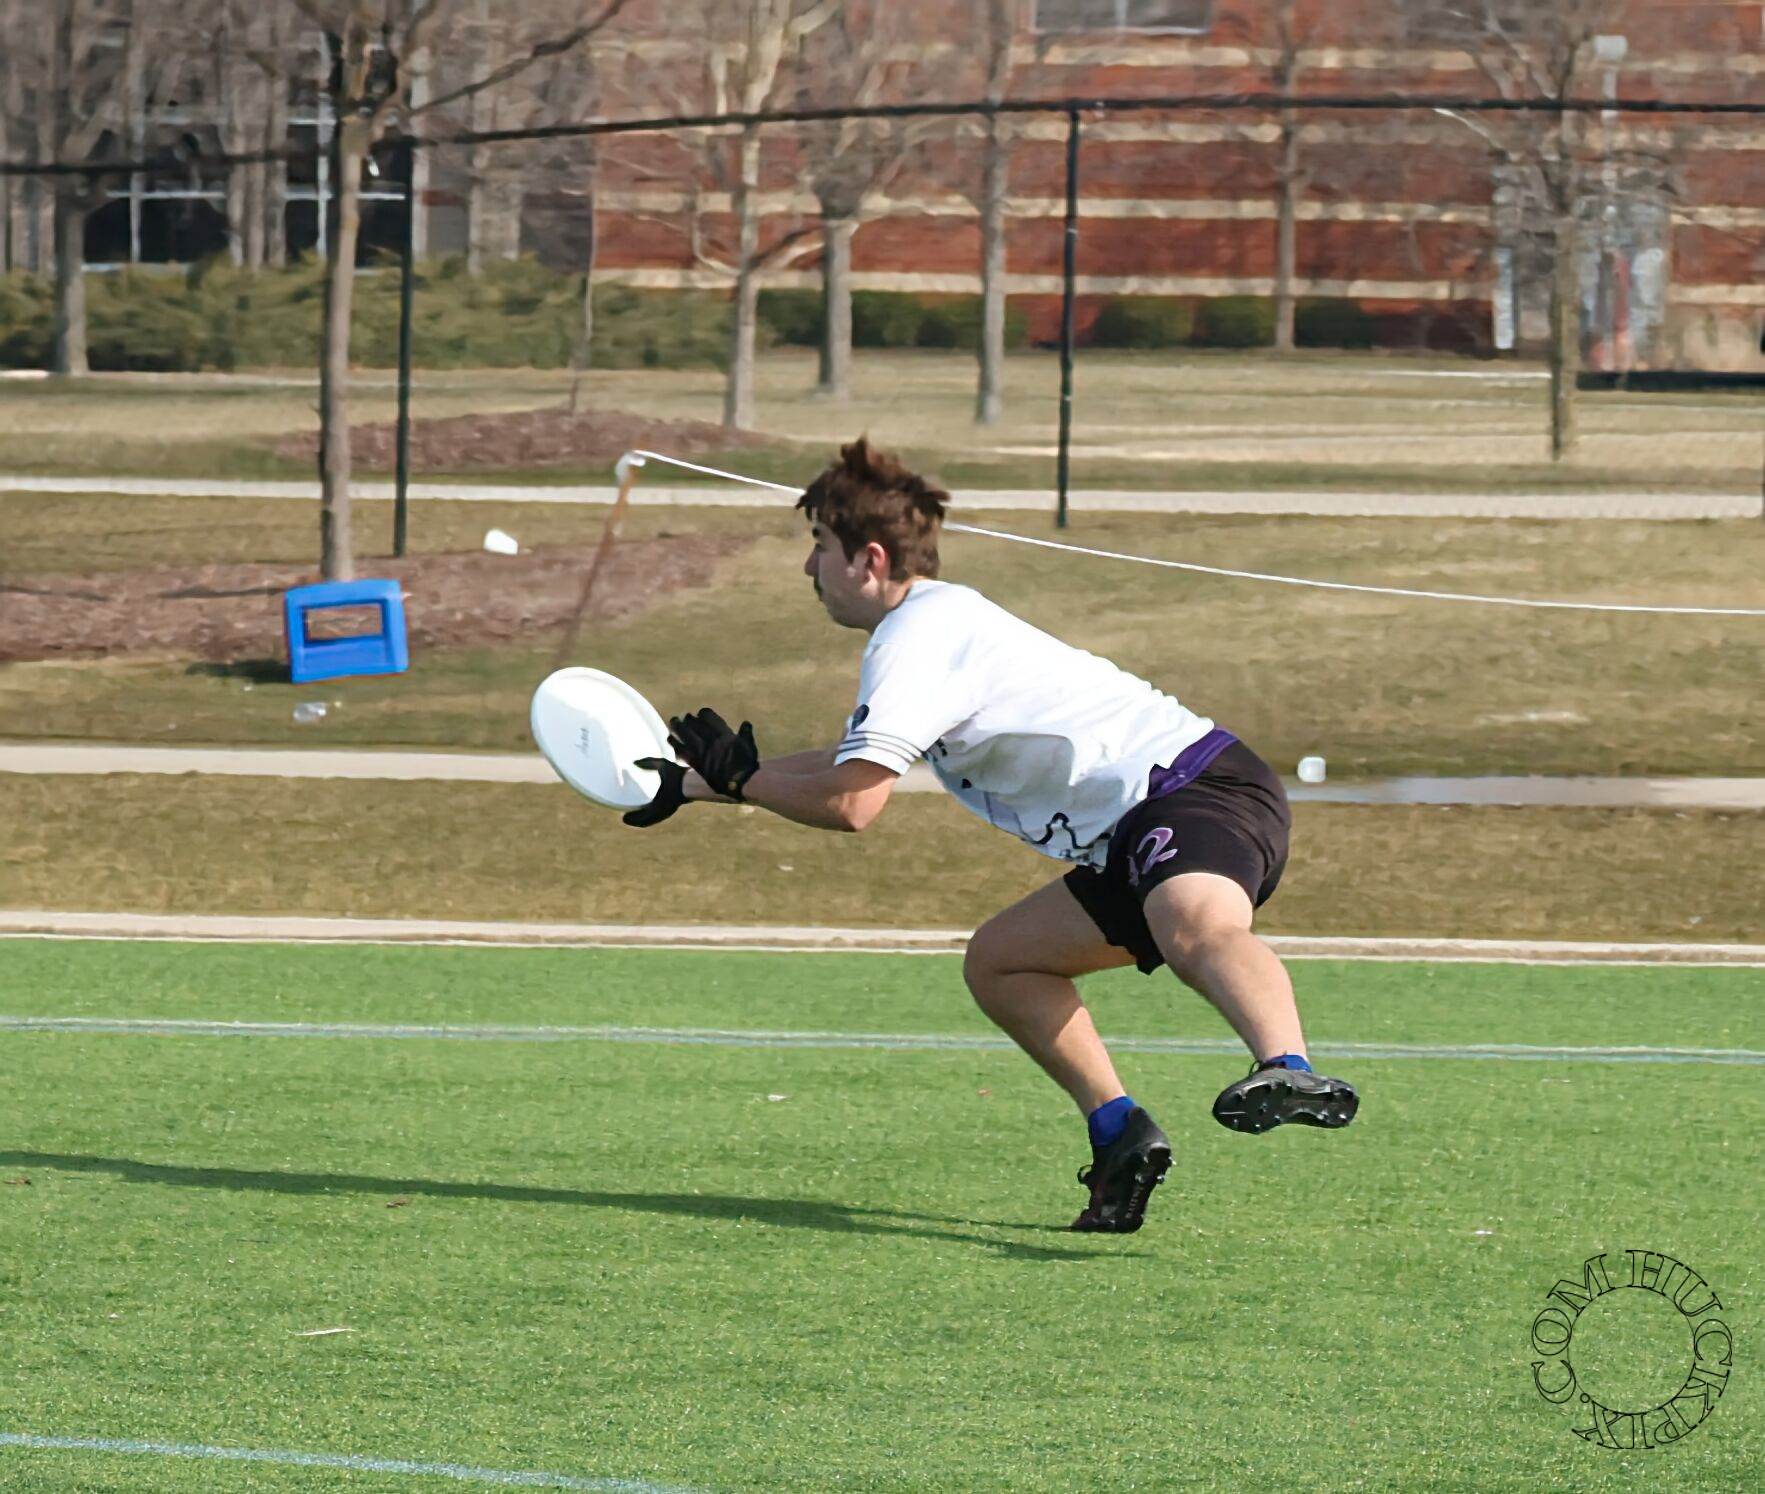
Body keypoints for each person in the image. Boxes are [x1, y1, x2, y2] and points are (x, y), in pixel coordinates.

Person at [624, 439, 1357, 1233]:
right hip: (1134, 829)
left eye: (819, 545)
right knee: (1003, 961)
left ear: (869, 559)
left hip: (1191, 790)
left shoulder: (916, 637)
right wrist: (698, 784)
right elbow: (852, 764)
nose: (809, 568)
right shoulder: (930, 631)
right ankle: (1118, 1132)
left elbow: (852, 805)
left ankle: (1289, 1068)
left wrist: (744, 781)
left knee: (1194, 927)